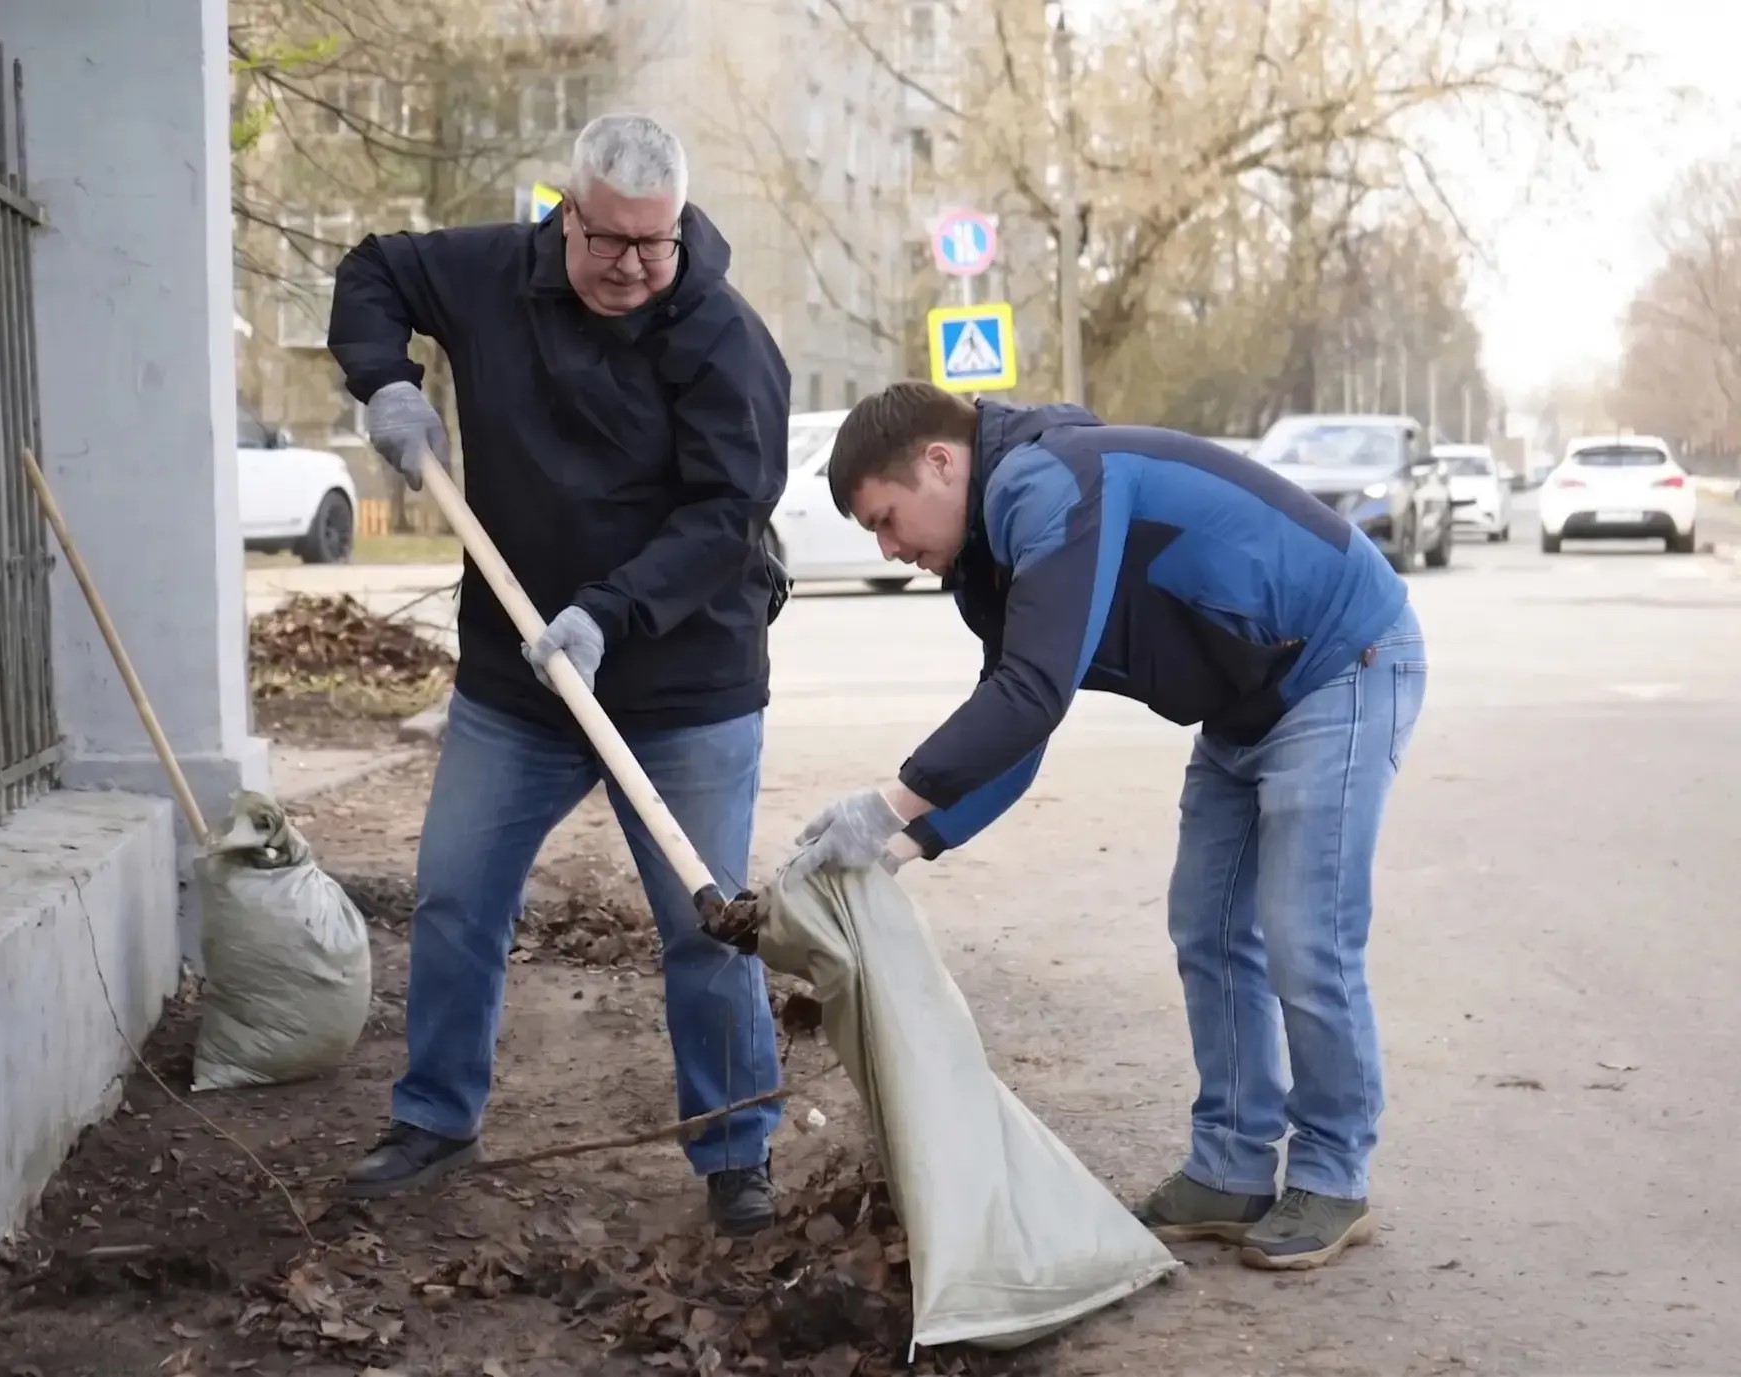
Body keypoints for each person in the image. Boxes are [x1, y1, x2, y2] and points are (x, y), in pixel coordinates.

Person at [791, 382, 1426, 1270]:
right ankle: (1233, 1169)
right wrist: (906, 844)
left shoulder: (1049, 484)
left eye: (888, 520)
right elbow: (1020, 718)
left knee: (1303, 934)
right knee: (1205, 927)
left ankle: (1332, 1172)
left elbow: (1031, 691)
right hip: (1246, 702)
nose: (894, 551)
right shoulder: (992, 557)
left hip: (1340, 660)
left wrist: (891, 801)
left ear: (941, 462)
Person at [324, 113, 794, 1235]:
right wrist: (384, 379)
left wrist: (608, 613)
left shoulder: (723, 337)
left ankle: (736, 1149)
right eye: (612, 241)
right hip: (514, 684)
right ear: (563, 214)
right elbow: (375, 268)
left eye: (658, 243)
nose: (635, 265)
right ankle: (435, 1117)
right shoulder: (493, 275)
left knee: (703, 924)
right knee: (455, 894)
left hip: (684, 684)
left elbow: (730, 512)